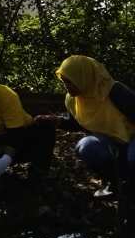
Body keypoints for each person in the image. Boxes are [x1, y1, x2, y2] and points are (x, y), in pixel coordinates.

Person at [42, 56, 135, 202]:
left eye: (70, 82)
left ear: (83, 77)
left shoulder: (114, 91)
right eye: (64, 82)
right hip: (110, 142)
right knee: (86, 146)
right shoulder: (72, 99)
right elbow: (77, 122)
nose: (67, 86)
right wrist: (57, 121)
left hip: (131, 137)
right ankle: (114, 183)